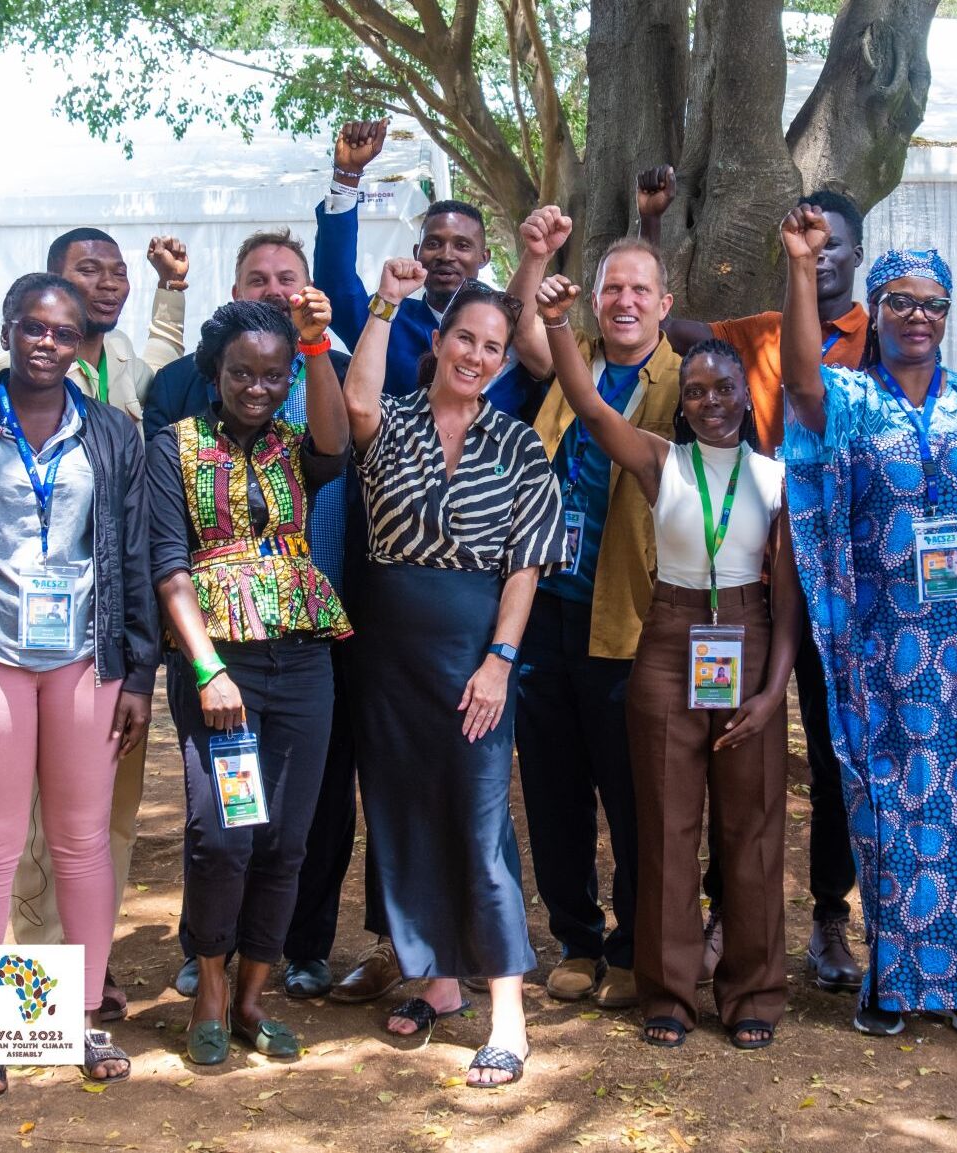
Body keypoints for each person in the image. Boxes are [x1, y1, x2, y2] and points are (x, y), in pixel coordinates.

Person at [778, 206, 957, 1037]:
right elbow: (799, 381)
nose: (917, 316)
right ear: (876, 307)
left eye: (933, 303)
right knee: (891, 810)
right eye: (899, 300)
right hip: (883, 648)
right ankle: (896, 983)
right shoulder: (853, 399)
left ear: (949, 313)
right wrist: (800, 267)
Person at [532, 267, 802, 1049]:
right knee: (665, 826)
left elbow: (789, 602)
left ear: (746, 396)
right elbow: (589, 406)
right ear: (681, 404)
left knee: (750, 827)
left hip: (748, 638)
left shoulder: (777, 480)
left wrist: (773, 691)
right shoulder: (660, 462)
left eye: (724, 388)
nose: (711, 400)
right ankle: (669, 993)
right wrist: (558, 323)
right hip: (668, 640)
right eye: (697, 391)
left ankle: (752, 989)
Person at [0, 272, 159, 1095]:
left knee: (82, 845)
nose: (47, 342)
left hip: (85, 659)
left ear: (82, 344)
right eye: (32, 327)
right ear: (7, 329)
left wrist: (138, 672)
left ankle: (76, 1018)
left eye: (63, 332)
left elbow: (132, 556)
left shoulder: (113, 433)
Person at [637, 172, 868, 991]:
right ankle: (723, 914)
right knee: (729, 741)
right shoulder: (762, 335)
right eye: (809, 240)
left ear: (856, 253)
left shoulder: (881, 338)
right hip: (750, 576)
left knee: (833, 756)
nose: (822, 254)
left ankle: (830, 916)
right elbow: (672, 330)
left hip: (844, 582)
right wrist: (652, 228)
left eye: (835, 242)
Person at [342, 259, 570, 1088]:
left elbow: (526, 565)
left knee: (480, 824)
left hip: (475, 651)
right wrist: (384, 303)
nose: (475, 355)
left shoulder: (517, 443)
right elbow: (355, 402)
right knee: (402, 812)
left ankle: (507, 1015)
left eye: (492, 347)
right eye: (464, 339)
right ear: (438, 343)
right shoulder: (393, 421)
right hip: (387, 655)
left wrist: (500, 660)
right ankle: (437, 980)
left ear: (505, 361)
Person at [0, 227, 189, 1023]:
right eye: (87, 271)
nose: (108, 283)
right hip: (8, 647)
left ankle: (89, 966)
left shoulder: (122, 366)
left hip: (94, 643)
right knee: (23, 827)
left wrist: (171, 289)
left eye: (117, 272)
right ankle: (40, 970)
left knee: (103, 820)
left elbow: (162, 363)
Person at [141, 229, 359, 1003]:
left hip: (301, 663)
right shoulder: (174, 446)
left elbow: (337, 445)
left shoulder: (295, 445)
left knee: (284, 839)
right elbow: (168, 567)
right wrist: (207, 669)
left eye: (273, 375)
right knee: (223, 834)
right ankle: (208, 980)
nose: (258, 388)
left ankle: (252, 997)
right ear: (216, 373)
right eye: (242, 372)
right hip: (222, 669)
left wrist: (315, 347)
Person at [506, 206, 681, 1010]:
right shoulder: (569, 357)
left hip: (630, 616)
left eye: (640, 289)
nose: (624, 301)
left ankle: (635, 944)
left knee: (634, 791)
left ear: (664, 303)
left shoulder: (681, 382)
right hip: (544, 607)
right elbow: (524, 330)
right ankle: (576, 939)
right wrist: (534, 257)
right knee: (553, 787)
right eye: (612, 287)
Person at [315, 118, 540, 416]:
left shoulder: (513, 331)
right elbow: (336, 288)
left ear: (484, 258)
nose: (446, 255)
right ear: (417, 253)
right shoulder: (387, 321)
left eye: (462, 245)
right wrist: (347, 177)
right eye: (433, 243)